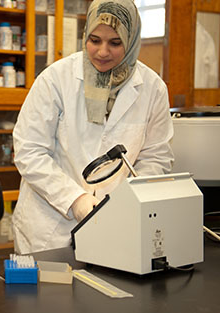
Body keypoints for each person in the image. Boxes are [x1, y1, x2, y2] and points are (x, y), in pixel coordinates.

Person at [12, 0, 174, 254]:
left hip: (118, 223)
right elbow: (29, 152)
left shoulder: (153, 88)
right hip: (50, 227)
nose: (102, 52)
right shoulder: (55, 79)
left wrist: (128, 201)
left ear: (131, 40)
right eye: (94, 40)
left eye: (115, 43)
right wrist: (75, 199)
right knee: (51, 293)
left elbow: (156, 156)